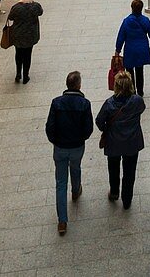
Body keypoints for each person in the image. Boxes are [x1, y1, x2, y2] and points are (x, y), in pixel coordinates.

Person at [45, 70, 94, 236]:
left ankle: (62, 221)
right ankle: (75, 190)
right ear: (79, 85)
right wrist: (81, 139)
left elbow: (49, 127)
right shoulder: (84, 104)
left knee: (60, 183)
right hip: (77, 147)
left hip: (60, 148)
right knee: (76, 167)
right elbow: (88, 129)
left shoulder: (56, 103)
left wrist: (55, 141)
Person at [96, 70, 146, 210]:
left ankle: (114, 192)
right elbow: (142, 109)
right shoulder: (137, 101)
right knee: (129, 172)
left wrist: (106, 130)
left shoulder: (109, 103)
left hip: (113, 143)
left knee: (113, 168)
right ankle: (127, 199)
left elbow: (99, 121)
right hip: (132, 142)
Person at [115, 0, 150, 97]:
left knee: (129, 72)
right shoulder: (145, 20)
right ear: (141, 9)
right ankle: (140, 92)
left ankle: (132, 91)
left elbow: (121, 36)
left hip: (130, 51)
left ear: (131, 8)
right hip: (142, 50)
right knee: (140, 71)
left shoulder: (126, 21)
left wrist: (117, 50)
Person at [8, 0, 43, 84]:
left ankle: (18, 73)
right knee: (28, 55)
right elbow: (40, 13)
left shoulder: (16, 7)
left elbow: (10, 18)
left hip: (18, 35)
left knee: (18, 54)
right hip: (30, 35)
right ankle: (26, 76)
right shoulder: (36, 6)